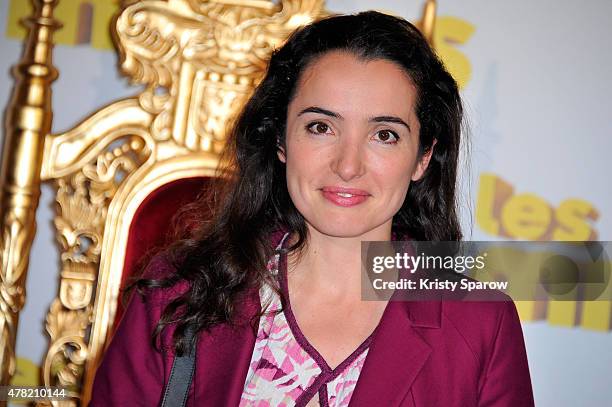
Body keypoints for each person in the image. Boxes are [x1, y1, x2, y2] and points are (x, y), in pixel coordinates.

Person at [90, 11, 534, 407]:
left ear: (422, 158)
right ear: (281, 140)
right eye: (321, 127)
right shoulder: (178, 294)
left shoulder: (480, 323)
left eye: (384, 135)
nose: (347, 165)